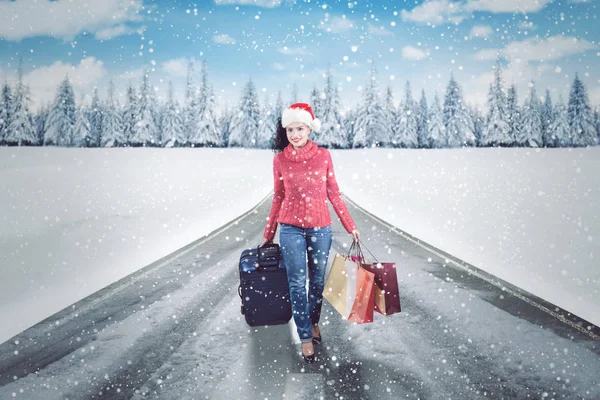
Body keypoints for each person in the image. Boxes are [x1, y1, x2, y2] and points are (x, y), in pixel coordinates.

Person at [260, 102, 360, 363]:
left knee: (317, 283)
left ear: (309, 129)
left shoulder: (323, 156)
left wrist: (351, 226)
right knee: (296, 284)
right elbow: (278, 196)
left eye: (300, 128)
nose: (295, 134)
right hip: (290, 228)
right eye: (291, 129)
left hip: (320, 228)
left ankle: (314, 322)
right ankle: (305, 336)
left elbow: (333, 194)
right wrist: (269, 231)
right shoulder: (280, 160)